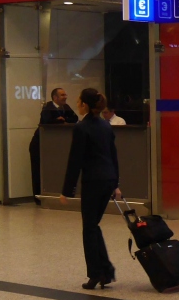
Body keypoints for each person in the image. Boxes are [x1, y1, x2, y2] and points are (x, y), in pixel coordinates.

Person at [61, 88, 122, 289]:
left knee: (89, 228)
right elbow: (113, 156)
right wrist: (116, 184)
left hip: (93, 182)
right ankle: (105, 270)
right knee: (93, 225)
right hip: (108, 179)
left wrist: (67, 190)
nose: (77, 104)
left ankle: (96, 273)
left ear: (85, 105)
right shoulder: (106, 126)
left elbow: (75, 160)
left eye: (79, 101)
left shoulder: (82, 128)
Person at [30, 87, 78, 200]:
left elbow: (74, 118)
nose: (65, 97)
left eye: (65, 94)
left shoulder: (66, 107)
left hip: (53, 146)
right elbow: (47, 121)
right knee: (38, 171)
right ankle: (38, 197)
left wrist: (63, 119)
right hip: (40, 145)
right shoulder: (48, 108)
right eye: (62, 95)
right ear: (55, 97)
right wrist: (59, 120)